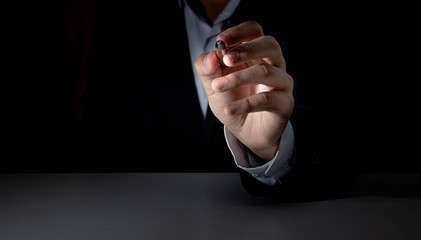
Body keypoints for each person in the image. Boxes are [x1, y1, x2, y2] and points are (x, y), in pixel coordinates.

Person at [80, 0, 329, 195]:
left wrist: (268, 150)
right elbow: (98, 140)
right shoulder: (120, 19)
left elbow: (335, 133)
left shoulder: (304, 15)